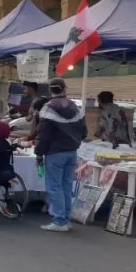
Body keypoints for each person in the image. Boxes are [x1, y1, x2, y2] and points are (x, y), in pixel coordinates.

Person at [35, 78, 87, 232]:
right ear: (65, 88)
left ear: (50, 90)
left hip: (54, 152)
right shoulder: (76, 108)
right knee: (66, 186)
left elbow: (43, 135)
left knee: (54, 187)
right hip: (72, 152)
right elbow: (84, 132)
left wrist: (39, 153)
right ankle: (65, 219)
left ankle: (59, 221)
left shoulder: (47, 109)